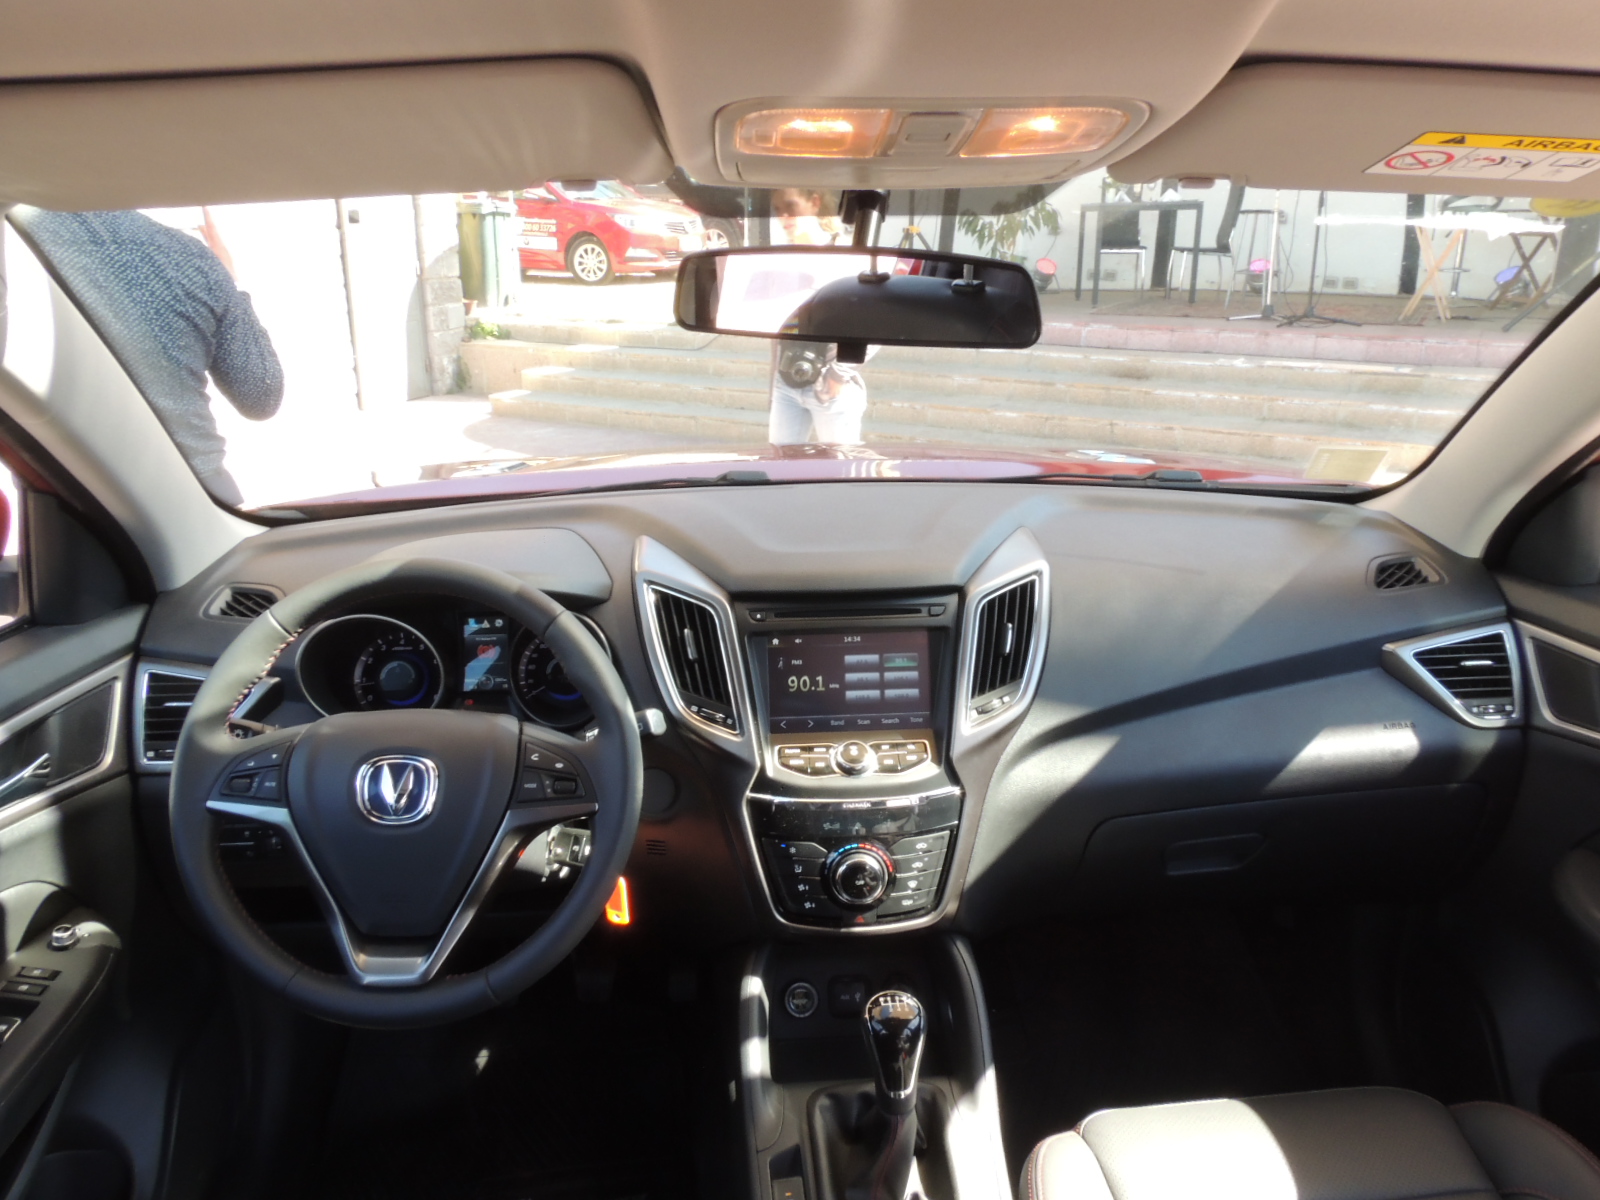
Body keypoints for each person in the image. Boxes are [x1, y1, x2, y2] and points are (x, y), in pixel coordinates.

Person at [16, 207, 284, 505]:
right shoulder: (189, 257)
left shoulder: (16, 239)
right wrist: (229, 283)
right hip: (197, 498)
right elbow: (260, 395)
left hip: (65, 496)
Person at [765, 189, 871, 446]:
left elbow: (876, 324)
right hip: (786, 382)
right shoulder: (782, 259)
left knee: (840, 466)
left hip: (830, 385)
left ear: (815, 202)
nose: (784, 216)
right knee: (779, 463)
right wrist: (774, 381)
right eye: (777, 209)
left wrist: (838, 374)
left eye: (791, 206)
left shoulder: (847, 257)